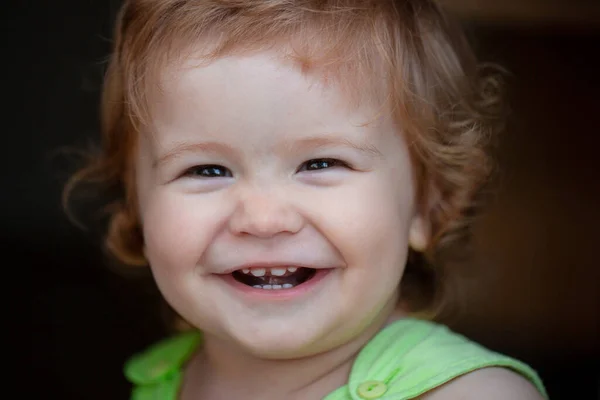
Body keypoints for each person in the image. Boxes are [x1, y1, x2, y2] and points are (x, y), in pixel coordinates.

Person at [64, 1, 548, 399]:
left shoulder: (474, 394)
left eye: (321, 164)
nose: (263, 219)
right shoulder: (158, 381)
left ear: (429, 207)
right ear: (136, 212)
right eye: (206, 170)